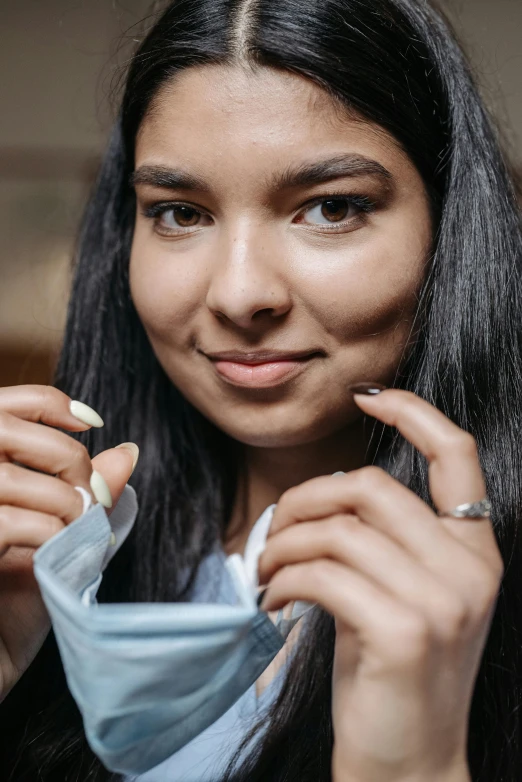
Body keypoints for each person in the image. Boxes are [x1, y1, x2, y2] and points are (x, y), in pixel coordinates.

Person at [0, 0, 520, 779]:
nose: (240, 295)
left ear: (450, 227)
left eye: (331, 207)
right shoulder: (47, 573)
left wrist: (413, 761)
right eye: (179, 212)